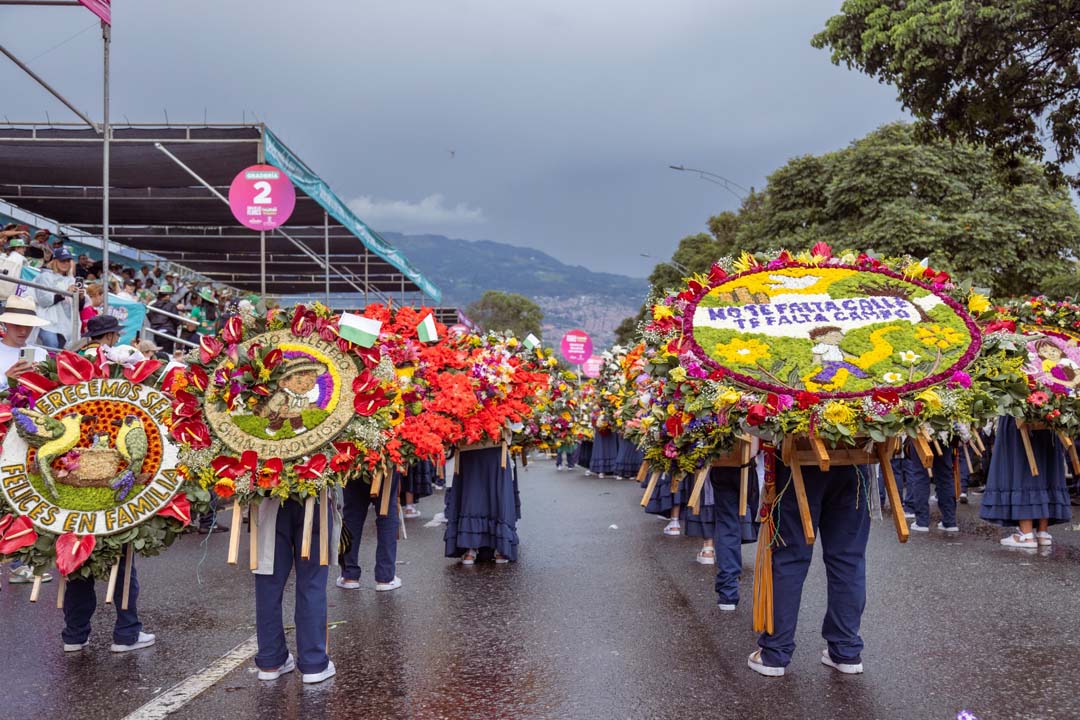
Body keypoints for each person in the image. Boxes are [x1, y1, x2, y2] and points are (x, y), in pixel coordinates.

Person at [748, 457, 871, 678]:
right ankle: (845, 649)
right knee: (848, 559)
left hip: (801, 462)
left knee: (790, 558)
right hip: (853, 460)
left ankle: (775, 652)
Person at [0, 296, 54, 585]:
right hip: (2, 434)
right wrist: (7, 380)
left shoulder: (41, 354)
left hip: (29, 437)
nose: (23, 331)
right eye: (17, 324)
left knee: (22, 497)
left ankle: (22, 562)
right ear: (5, 323)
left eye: (27, 325)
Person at [253, 496, 336, 683]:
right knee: (311, 580)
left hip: (269, 497)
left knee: (268, 581)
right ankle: (313, 662)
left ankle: (270, 660)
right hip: (313, 495)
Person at [980, 418, 1071, 548]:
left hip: (1018, 418)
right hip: (1049, 417)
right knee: (1045, 463)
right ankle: (1042, 532)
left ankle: (1026, 535)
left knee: (1022, 465)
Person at [444, 445, 519, 564]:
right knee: (496, 494)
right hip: (493, 446)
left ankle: (470, 548)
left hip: (469, 447)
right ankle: (500, 548)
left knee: (471, 494)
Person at [337, 469, 402, 592]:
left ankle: (349, 575)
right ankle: (385, 577)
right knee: (386, 513)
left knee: (352, 515)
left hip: (355, 459)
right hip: (385, 461)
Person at [32, 247, 78, 349]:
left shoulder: (71, 280)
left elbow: (79, 306)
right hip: (46, 320)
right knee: (52, 344)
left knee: (60, 349)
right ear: (55, 261)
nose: (65, 263)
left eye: (68, 261)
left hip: (64, 323)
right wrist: (65, 293)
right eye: (62, 260)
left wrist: (81, 297)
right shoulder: (45, 276)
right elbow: (44, 301)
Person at [148, 284, 179, 353]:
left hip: (156, 333)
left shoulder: (152, 305)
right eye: (170, 295)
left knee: (159, 353)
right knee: (167, 355)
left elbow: (149, 317)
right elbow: (177, 321)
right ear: (167, 295)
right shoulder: (171, 305)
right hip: (168, 333)